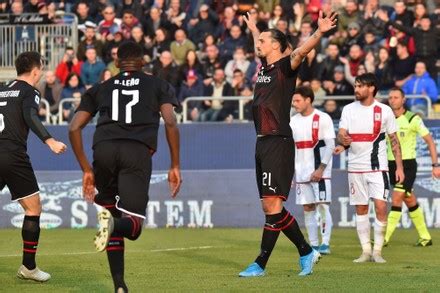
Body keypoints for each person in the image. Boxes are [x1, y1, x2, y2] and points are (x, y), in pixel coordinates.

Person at [69, 41, 182, 293]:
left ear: (117, 63)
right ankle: (113, 227)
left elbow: (74, 127)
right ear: (143, 62)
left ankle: (120, 286)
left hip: (104, 150)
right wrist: (175, 165)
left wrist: (87, 170)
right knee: (132, 226)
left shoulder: (100, 87)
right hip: (136, 152)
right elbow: (171, 122)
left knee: (111, 214)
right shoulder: (158, 84)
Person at [239, 10, 337, 278]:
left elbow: (299, 53)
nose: (258, 43)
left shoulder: (284, 67)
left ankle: (272, 260)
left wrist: (319, 32)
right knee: (270, 208)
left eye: (263, 40)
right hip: (262, 142)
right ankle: (299, 253)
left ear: (276, 46)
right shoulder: (264, 68)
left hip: (278, 142)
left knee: (273, 207)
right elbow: (260, 42)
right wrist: (253, 28)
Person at [0, 52, 67, 281]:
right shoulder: (29, 91)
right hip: (12, 155)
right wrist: (50, 141)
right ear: (36, 70)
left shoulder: (1, 90)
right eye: (42, 68)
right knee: (33, 209)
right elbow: (30, 115)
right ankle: (28, 267)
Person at [334, 73, 404, 263]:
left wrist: (399, 167)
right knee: (361, 209)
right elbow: (341, 133)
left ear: (371, 88)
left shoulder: (384, 111)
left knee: (381, 207)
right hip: (355, 167)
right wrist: (343, 139)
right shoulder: (348, 109)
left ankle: (378, 251)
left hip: (378, 168)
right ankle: (365, 251)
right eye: (356, 86)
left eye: (360, 86)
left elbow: (394, 140)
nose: (356, 89)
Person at [385, 88, 440, 247]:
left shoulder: (412, 119)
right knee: (408, 198)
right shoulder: (387, 120)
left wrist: (435, 164)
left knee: (396, 198)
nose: (392, 100)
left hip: (407, 165)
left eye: (396, 97)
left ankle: (384, 238)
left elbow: (430, 141)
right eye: (390, 97)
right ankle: (425, 237)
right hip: (390, 164)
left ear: (403, 100)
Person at [290, 86, 335, 255]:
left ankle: (325, 243)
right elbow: (290, 149)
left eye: (298, 100)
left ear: (308, 100)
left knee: (323, 206)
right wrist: (291, 174)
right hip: (301, 171)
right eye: (293, 101)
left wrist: (321, 169)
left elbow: (330, 145)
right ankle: (314, 244)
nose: (295, 104)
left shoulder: (323, 118)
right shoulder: (293, 121)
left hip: (320, 171)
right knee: (308, 207)